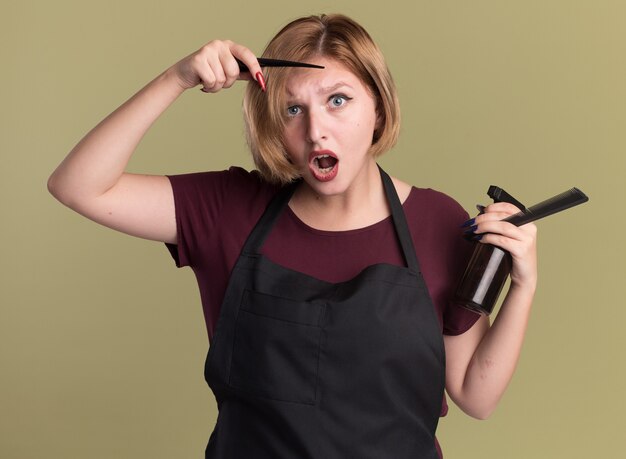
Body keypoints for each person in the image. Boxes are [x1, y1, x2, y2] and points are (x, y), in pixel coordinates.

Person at [48, 13, 537, 459]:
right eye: (292, 110)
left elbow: (476, 395)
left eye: (338, 100)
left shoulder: (437, 221)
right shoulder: (228, 209)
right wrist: (178, 78)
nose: (316, 130)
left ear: (379, 110)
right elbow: (78, 186)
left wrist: (523, 286)